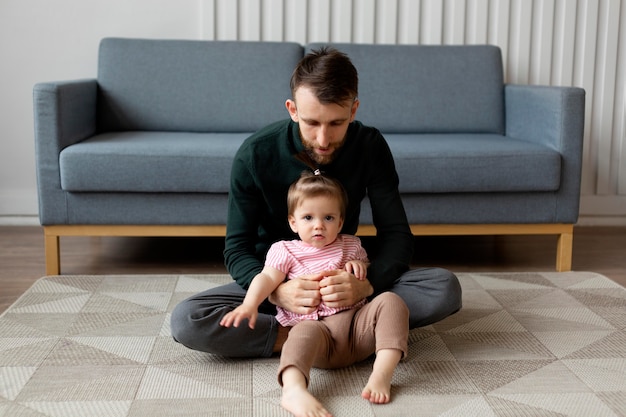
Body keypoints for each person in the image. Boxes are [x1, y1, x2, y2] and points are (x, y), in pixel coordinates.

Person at [171, 46, 461, 357]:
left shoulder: (369, 146)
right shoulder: (255, 154)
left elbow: (396, 235)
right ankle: (329, 337)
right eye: (312, 123)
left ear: (353, 110)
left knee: (444, 288)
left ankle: (333, 331)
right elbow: (237, 247)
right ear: (292, 110)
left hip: (346, 285)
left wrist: (367, 285)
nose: (323, 140)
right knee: (188, 320)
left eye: (336, 123)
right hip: (278, 285)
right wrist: (278, 294)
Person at [220, 171, 409, 416]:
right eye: (308, 217)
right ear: (293, 222)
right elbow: (266, 278)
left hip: (358, 331)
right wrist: (249, 304)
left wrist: (361, 267)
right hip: (319, 336)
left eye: (328, 217)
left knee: (391, 301)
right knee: (301, 335)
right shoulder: (285, 250)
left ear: (340, 222)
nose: (318, 225)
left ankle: (381, 374)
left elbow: (367, 270)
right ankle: (293, 389)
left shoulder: (350, 245)